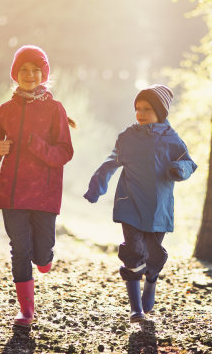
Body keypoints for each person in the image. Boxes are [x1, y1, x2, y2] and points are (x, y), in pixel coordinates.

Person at [83, 84, 197, 323]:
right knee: (134, 252)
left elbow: (188, 162)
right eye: (137, 108)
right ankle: (136, 309)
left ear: (160, 112)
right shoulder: (127, 138)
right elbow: (110, 162)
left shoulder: (172, 140)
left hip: (159, 209)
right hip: (130, 206)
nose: (140, 113)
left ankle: (152, 279)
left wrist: (179, 169)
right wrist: (97, 186)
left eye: (147, 108)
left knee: (153, 255)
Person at [0, 45, 74, 328]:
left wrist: (38, 146)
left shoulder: (55, 109)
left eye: (36, 70)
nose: (30, 75)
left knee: (41, 252)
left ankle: (44, 259)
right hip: (12, 193)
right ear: (15, 74)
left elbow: (64, 153)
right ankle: (26, 311)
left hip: (44, 195)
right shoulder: (4, 111)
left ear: (44, 74)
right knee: (19, 249)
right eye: (24, 70)